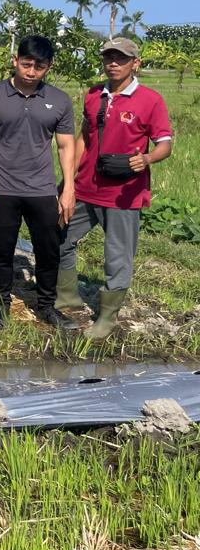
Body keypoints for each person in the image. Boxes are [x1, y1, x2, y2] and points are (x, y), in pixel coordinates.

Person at [58, 37, 172, 340]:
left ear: (136, 63)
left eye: (121, 58)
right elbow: (85, 137)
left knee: (117, 255)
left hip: (124, 192)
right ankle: (66, 295)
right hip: (85, 187)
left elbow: (165, 144)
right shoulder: (95, 94)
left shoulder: (151, 100)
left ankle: (107, 316)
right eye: (109, 57)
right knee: (61, 236)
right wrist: (68, 179)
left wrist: (147, 158)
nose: (113, 63)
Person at [0, 35, 76, 331]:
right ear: (15, 61)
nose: (32, 72)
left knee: (48, 250)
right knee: (2, 249)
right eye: (26, 64)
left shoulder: (59, 100)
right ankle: (0, 307)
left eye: (40, 66)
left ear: (49, 67)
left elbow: (65, 147)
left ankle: (47, 307)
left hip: (42, 189)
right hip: (1, 188)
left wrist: (68, 188)